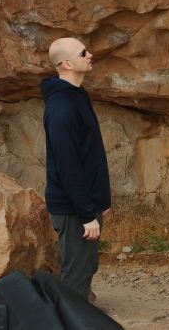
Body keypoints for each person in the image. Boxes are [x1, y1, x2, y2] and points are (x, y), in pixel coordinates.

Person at [41, 37, 111, 300]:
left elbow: (89, 153)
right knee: (76, 276)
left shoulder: (77, 95)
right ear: (67, 64)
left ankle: (77, 313)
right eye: (83, 53)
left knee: (86, 265)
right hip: (72, 209)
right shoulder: (62, 108)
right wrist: (85, 214)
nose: (90, 54)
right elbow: (67, 166)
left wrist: (100, 200)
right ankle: (70, 317)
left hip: (84, 203)